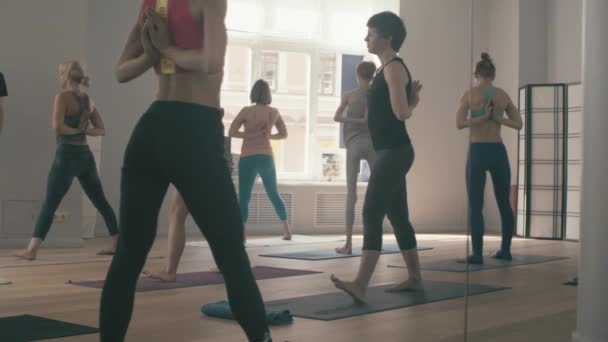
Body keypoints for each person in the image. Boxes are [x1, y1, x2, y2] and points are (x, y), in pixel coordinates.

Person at [99, 1, 271, 341]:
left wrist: (156, 55)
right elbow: (212, 62)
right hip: (194, 128)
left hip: (152, 128)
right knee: (230, 252)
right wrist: (165, 49)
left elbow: (121, 72)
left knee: (130, 253)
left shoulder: (153, 5)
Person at [331, 11, 424, 303]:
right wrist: (412, 100)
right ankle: (415, 278)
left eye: (370, 33)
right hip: (390, 151)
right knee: (398, 216)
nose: (366, 37)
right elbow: (400, 108)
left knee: (371, 213)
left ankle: (360, 284)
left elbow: (400, 113)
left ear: (387, 37)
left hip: (395, 151)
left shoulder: (394, 68)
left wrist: (412, 102)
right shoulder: (386, 69)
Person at [13, 61, 118, 261]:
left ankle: (31, 250)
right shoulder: (88, 100)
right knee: (100, 200)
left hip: (67, 157)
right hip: (85, 156)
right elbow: (101, 129)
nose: (59, 78)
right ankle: (116, 241)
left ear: (66, 77)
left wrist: (77, 130)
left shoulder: (62, 97)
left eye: (60, 74)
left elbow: (58, 127)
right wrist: (85, 130)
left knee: (49, 203)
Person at [456, 53, 522, 264]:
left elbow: (459, 123)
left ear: (476, 75)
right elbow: (519, 124)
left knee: (476, 205)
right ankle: (505, 250)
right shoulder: (502, 95)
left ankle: (476, 254)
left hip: (477, 151)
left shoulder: (469, 94)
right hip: (497, 151)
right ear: (493, 75)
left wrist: (481, 117)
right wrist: (495, 117)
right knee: (504, 203)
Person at [229, 79, 290, 242]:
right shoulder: (273, 112)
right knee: (273, 193)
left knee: (244, 197)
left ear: (253, 93)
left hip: (248, 157)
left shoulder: (246, 111)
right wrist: (269, 135)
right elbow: (284, 134)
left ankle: (242, 234)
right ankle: (287, 230)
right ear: (268, 94)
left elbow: (232, 131)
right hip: (266, 156)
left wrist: (248, 134)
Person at [333, 61, 377, 254]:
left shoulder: (349, 96)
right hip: (372, 145)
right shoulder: (376, 95)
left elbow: (337, 117)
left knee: (351, 194)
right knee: (378, 193)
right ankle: (373, 242)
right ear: (373, 75)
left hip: (354, 145)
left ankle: (349, 244)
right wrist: (361, 121)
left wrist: (351, 120)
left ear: (358, 75)